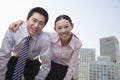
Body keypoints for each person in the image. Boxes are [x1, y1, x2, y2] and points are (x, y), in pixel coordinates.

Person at [9, 14, 82, 80]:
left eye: (66, 27)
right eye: (59, 28)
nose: (63, 31)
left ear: (72, 26)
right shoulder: (51, 36)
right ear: (55, 29)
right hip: (51, 67)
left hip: (66, 70)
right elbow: (36, 30)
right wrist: (22, 22)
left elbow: (72, 66)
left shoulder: (77, 43)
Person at [0, 7, 51, 80]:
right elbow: (4, 55)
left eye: (41, 23)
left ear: (43, 26)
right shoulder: (14, 29)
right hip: (15, 59)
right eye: (34, 20)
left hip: (32, 62)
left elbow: (46, 64)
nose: (36, 26)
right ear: (27, 19)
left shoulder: (45, 39)